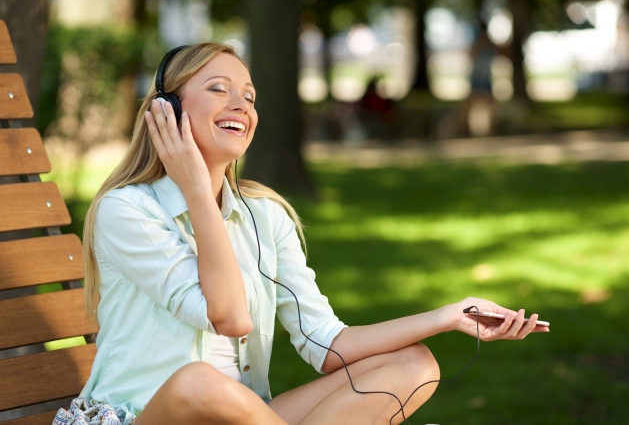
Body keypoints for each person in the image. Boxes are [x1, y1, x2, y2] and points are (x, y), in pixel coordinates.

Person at [64, 43, 548, 425]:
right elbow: (229, 316)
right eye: (218, 89)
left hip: (243, 417)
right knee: (201, 382)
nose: (240, 104)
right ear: (167, 111)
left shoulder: (265, 215)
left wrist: (449, 315)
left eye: (249, 95)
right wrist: (194, 186)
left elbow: (326, 345)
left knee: (415, 367)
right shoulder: (125, 210)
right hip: (142, 416)